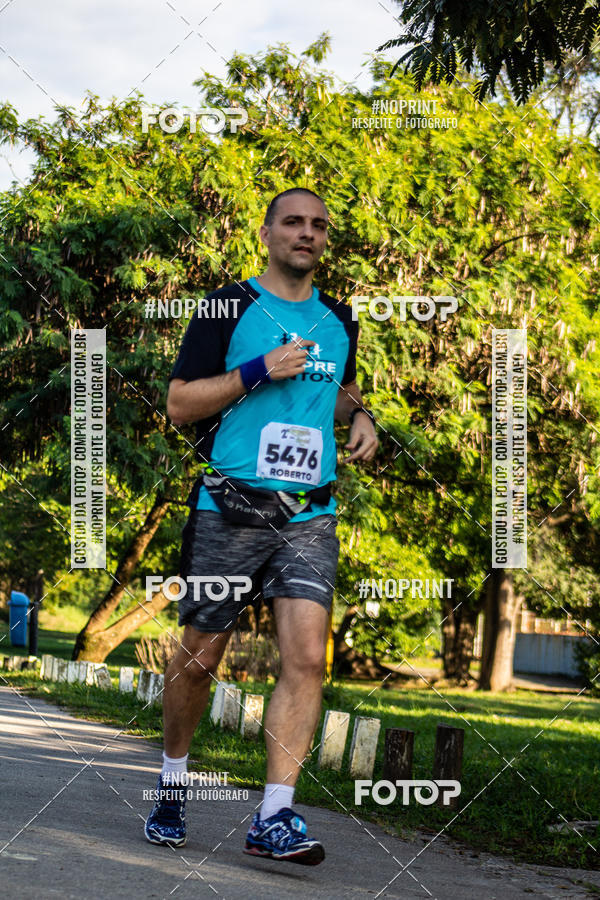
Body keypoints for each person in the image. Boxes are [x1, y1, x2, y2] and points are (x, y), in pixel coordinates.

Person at [144, 187, 378, 864]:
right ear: (268, 232)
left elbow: (334, 389)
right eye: (293, 223)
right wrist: (256, 370)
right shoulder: (227, 305)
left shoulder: (339, 317)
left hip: (310, 515)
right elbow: (180, 403)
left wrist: (360, 415)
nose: (306, 234)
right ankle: (171, 783)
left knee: (307, 657)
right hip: (231, 509)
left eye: (318, 226)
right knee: (200, 659)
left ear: (325, 239)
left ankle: (273, 816)